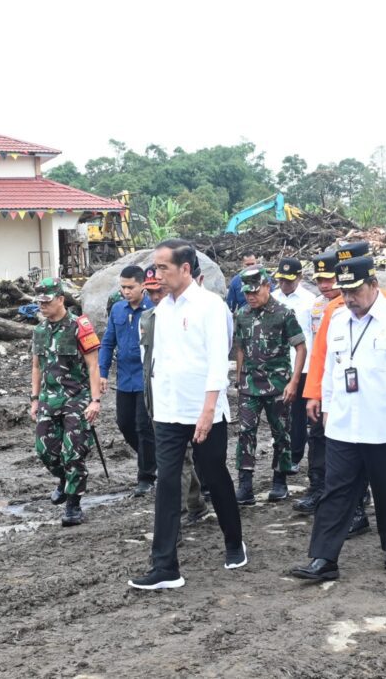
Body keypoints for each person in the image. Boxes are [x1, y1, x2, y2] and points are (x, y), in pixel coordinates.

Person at [291, 257, 386, 581]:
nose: (350, 298)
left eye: (355, 290)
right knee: (335, 491)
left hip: (384, 424)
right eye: (345, 291)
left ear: (373, 285)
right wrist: (326, 407)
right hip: (343, 424)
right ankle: (324, 559)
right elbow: (330, 369)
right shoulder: (337, 319)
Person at [129, 240, 246, 590]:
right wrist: (157, 410)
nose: (157, 274)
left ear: (185, 269)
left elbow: (216, 362)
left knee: (213, 474)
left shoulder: (211, 307)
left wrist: (209, 410)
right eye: (156, 267)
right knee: (167, 483)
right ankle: (165, 566)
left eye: (163, 268)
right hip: (169, 412)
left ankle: (233, 541)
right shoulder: (162, 309)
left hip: (203, 411)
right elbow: (159, 363)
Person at [303, 241, 386, 535]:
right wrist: (314, 394)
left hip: (379, 403)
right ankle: (356, 512)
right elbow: (321, 355)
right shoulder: (334, 310)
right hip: (344, 401)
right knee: (343, 464)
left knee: (381, 466)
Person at [30, 277, 102, 527]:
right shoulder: (39, 330)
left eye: (47, 301)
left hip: (77, 399)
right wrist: (34, 399)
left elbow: (94, 365)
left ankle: (73, 505)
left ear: (61, 299)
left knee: (73, 453)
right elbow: (37, 366)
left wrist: (95, 401)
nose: (42, 306)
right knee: (45, 451)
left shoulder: (80, 326)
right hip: (49, 400)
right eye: (39, 302)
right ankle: (63, 481)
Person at [139, 266, 209, 525]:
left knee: (179, 460)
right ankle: (195, 503)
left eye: (159, 291)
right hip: (158, 398)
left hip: (186, 399)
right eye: (150, 292)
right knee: (179, 459)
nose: (155, 297)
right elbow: (147, 363)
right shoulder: (147, 318)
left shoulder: (192, 312)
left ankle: (174, 519)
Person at [232, 267, 306, 504]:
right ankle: (245, 485)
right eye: (246, 293)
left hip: (277, 384)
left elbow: (300, 347)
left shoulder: (284, 313)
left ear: (267, 286)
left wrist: (294, 382)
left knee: (281, 433)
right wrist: (239, 376)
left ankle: (279, 481)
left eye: (254, 292)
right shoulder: (242, 314)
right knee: (245, 432)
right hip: (250, 385)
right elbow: (240, 347)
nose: (250, 297)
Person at [99, 266, 155, 497]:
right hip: (124, 378)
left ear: (142, 285)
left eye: (130, 287)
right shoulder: (118, 310)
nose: (126, 291)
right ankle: (152, 459)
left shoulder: (153, 309)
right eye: (123, 287)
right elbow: (108, 342)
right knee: (124, 424)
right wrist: (102, 372)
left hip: (146, 378)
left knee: (144, 426)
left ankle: (146, 476)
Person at [292, 252, 336, 514]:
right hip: (322, 380)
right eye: (320, 280)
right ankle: (317, 488)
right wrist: (312, 390)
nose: (324, 285)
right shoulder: (317, 306)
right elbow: (314, 349)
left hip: (349, 381)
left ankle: (357, 492)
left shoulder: (351, 302)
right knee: (317, 437)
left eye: (329, 279)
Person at [271, 257, 317, 476]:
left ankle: (296, 455)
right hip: (277, 365)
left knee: (298, 414)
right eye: (281, 280)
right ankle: (281, 453)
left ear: (299, 277)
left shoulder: (310, 301)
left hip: (302, 365)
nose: (285, 284)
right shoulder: (271, 299)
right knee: (279, 412)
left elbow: (311, 335)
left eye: (289, 280)